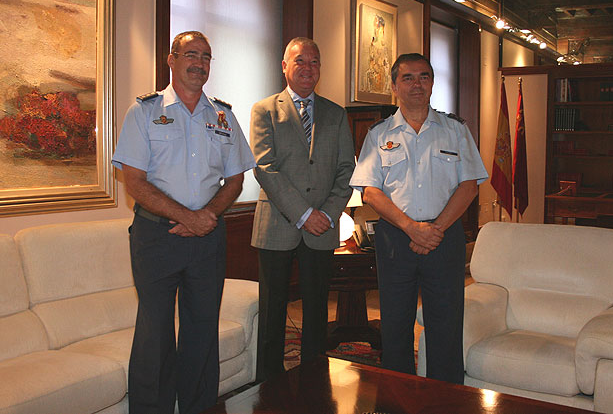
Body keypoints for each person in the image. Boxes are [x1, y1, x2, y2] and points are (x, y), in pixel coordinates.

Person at [112, 31, 255, 414]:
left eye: (206, 56)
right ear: (170, 59)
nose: (199, 63)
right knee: (154, 333)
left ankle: (199, 407)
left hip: (207, 237)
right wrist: (186, 217)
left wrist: (204, 218)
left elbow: (237, 178)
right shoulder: (144, 111)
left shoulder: (223, 115)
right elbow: (134, 180)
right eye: (190, 54)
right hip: (157, 237)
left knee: (202, 328)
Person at [349, 53, 488, 384]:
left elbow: (469, 186)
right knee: (395, 325)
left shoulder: (455, 131)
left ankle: (446, 399)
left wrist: (434, 230)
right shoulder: (379, 134)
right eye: (408, 77)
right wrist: (412, 228)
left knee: (446, 323)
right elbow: (371, 192)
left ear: (432, 83)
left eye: (424, 76)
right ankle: (397, 397)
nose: (416, 84)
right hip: (396, 238)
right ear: (394, 86)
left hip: (445, 235)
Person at [250, 37, 355, 380]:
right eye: (300, 61)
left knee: (315, 310)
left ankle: (313, 378)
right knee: (272, 311)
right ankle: (268, 383)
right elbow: (265, 168)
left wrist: (326, 213)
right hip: (278, 225)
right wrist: (305, 214)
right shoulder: (264, 110)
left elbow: (346, 171)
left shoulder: (336, 114)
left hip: (323, 227)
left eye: (314, 62)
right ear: (285, 66)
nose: (307, 68)